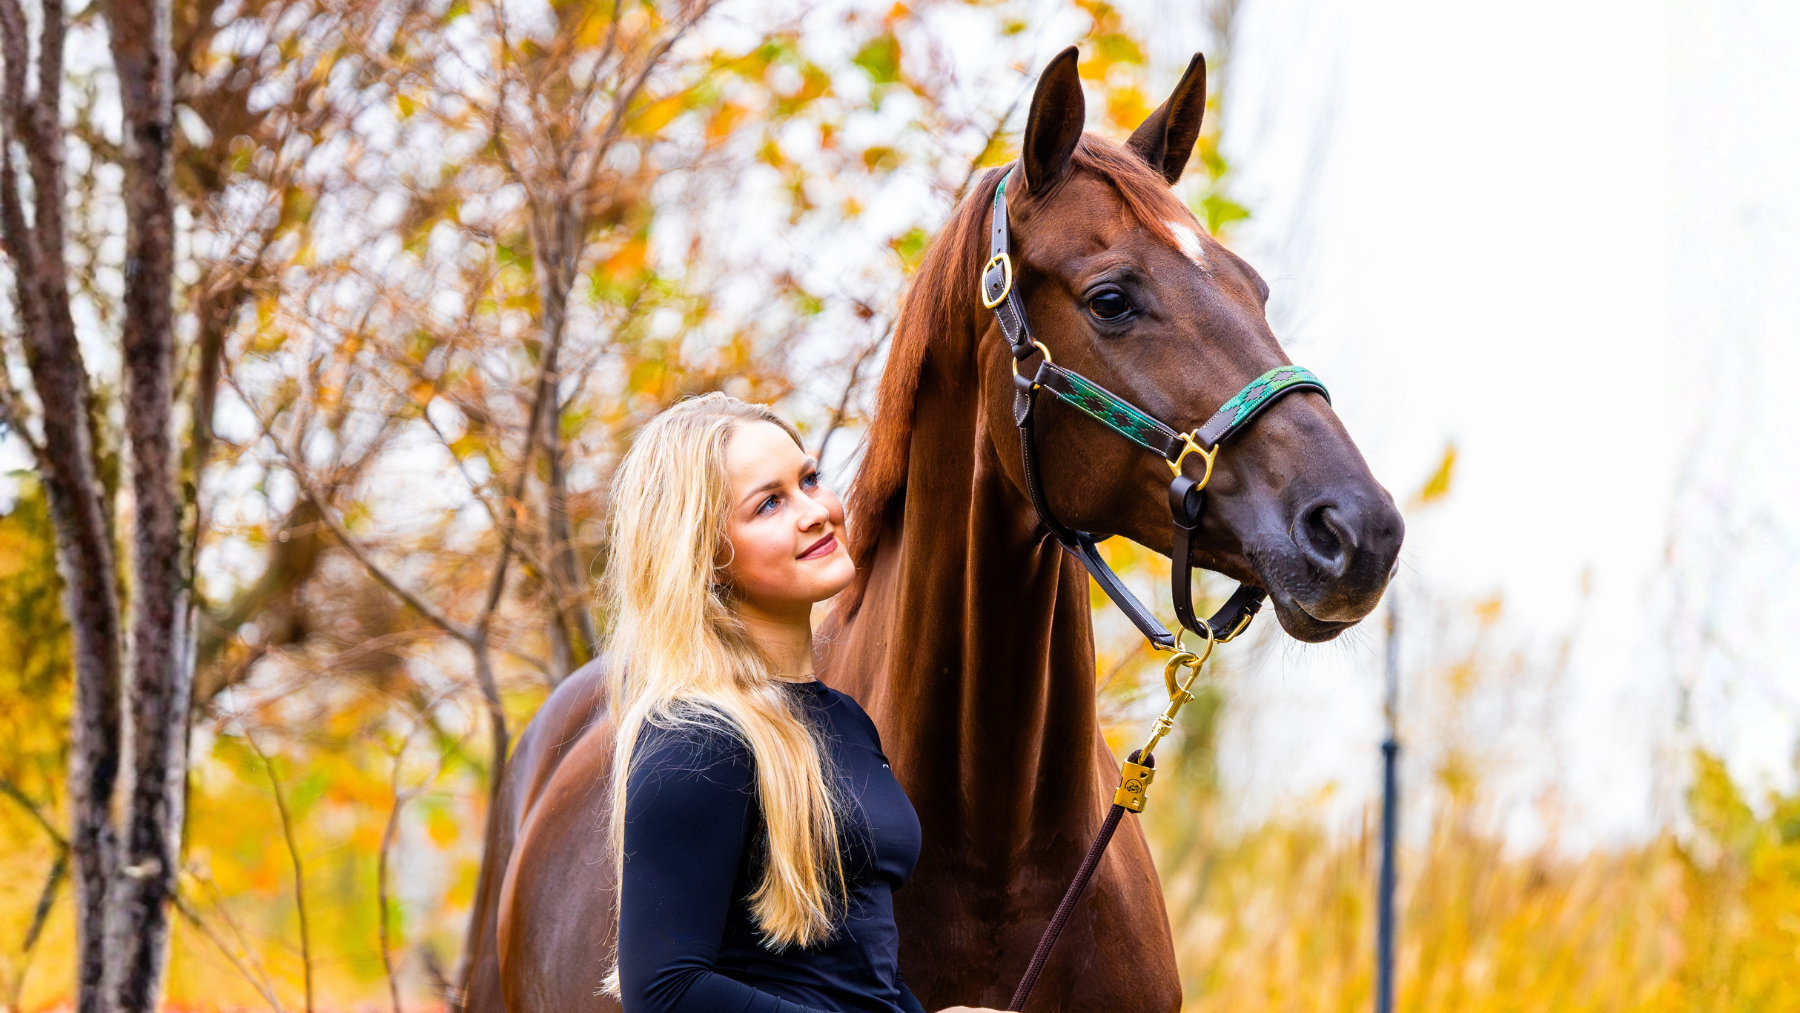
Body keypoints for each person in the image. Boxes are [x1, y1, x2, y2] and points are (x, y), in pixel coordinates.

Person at [601, 394, 1003, 1013]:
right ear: (705, 556)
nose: (816, 511)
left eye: (810, 479)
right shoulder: (696, 742)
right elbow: (664, 993)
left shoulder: (843, 719)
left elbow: (853, 975)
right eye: (769, 503)